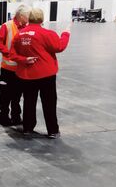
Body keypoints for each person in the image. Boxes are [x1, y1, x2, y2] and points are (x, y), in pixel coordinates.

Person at [11, 8, 71, 138]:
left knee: (29, 102)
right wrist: (66, 34)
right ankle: (53, 130)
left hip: (27, 75)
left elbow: (12, 54)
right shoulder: (47, 34)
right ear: (42, 19)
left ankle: (27, 128)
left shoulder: (20, 34)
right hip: (46, 75)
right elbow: (59, 47)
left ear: (29, 18)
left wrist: (23, 59)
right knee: (49, 102)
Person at [0, 5, 31, 126]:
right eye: (28, 16)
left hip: (20, 69)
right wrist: (7, 52)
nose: (29, 18)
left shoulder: (28, 27)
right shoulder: (7, 26)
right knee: (5, 95)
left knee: (17, 95)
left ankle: (16, 116)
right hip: (7, 68)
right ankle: (3, 116)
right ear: (21, 16)